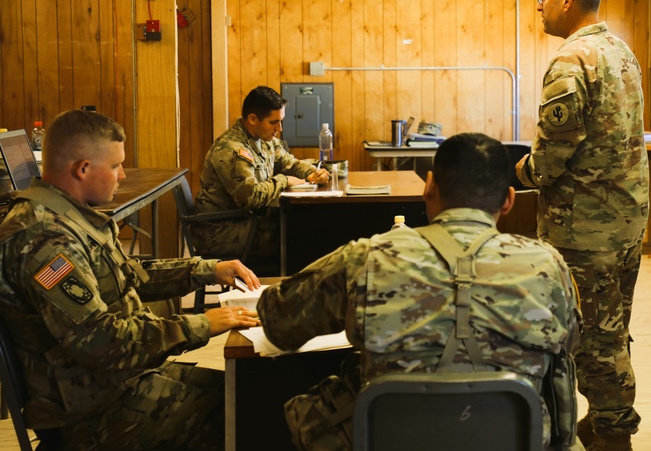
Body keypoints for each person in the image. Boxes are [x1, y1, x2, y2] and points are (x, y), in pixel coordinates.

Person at [258, 132, 582, 451]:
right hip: (514, 439)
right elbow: (568, 344)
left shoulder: (369, 257)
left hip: (390, 439)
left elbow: (277, 322)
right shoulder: (548, 266)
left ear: (429, 186)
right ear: (509, 200)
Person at [0, 109, 262, 451]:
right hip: (94, 418)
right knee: (251, 416)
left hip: (119, 383)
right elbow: (99, 339)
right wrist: (198, 325)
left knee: (251, 388)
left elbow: (130, 276)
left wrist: (206, 269)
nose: (122, 175)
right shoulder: (43, 239)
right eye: (115, 166)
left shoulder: (70, 217)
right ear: (82, 169)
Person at [515, 0, 649, 451]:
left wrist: (516, 174)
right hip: (625, 220)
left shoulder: (571, 61)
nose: (539, 7)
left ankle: (614, 434)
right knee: (612, 323)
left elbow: (551, 160)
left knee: (592, 336)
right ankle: (602, 420)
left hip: (585, 230)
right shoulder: (621, 51)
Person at [194, 85, 329, 262]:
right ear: (252, 119)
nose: (279, 128)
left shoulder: (264, 139)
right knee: (302, 234)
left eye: (281, 121)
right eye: (274, 122)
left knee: (310, 225)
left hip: (247, 222)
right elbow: (251, 198)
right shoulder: (232, 149)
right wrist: (284, 180)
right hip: (221, 232)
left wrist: (314, 172)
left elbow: (289, 163)